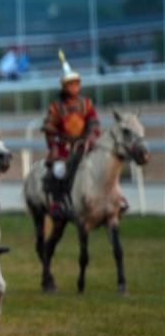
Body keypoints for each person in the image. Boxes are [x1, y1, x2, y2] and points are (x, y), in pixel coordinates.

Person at [41, 50, 101, 220]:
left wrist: (90, 138)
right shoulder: (56, 107)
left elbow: (94, 123)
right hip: (64, 148)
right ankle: (57, 203)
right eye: (70, 85)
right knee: (58, 171)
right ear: (64, 87)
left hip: (84, 146)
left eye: (76, 84)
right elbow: (49, 128)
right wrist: (53, 147)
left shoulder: (87, 104)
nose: (74, 87)